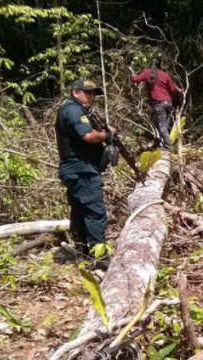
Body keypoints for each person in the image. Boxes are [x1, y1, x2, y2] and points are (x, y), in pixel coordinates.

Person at [55, 79, 115, 262]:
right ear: (75, 92)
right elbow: (88, 136)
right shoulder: (73, 110)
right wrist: (106, 135)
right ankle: (101, 258)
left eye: (94, 94)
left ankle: (82, 253)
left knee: (80, 211)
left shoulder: (74, 111)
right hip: (81, 170)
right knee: (95, 212)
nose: (92, 97)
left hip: (76, 169)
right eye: (87, 92)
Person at [130, 59, 183, 150]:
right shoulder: (165, 75)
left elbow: (135, 79)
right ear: (160, 65)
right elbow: (172, 89)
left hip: (158, 103)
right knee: (163, 125)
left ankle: (168, 146)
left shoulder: (147, 72)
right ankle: (163, 143)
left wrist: (132, 75)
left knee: (161, 125)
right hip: (168, 102)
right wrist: (178, 89)